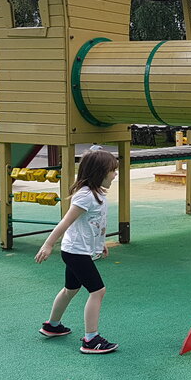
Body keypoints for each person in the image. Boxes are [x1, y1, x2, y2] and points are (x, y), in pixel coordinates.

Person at [35, 149, 120, 354]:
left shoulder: (97, 193)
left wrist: (100, 242)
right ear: (100, 172)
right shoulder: (85, 196)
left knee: (70, 289)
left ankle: (52, 326)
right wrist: (48, 244)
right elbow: (66, 222)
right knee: (98, 291)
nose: (115, 174)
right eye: (112, 170)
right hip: (76, 252)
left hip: (77, 250)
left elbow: (94, 223)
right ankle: (91, 339)